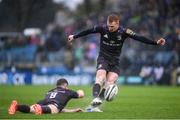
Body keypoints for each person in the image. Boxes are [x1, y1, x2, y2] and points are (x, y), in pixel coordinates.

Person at [68, 14, 166, 112]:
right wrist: (74, 36)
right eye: (108, 25)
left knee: (110, 81)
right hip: (103, 58)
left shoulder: (124, 32)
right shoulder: (102, 28)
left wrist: (155, 42)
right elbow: (88, 31)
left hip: (115, 61)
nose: (109, 28)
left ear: (118, 24)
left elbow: (139, 38)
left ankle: (95, 106)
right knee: (101, 77)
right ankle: (95, 98)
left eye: (112, 26)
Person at [8, 78, 84, 115]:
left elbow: (61, 109)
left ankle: (16, 107)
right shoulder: (67, 91)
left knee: (31, 109)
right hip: (53, 104)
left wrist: (72, 110)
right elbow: (81, 94)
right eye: (67, 86)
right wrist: (80, 91)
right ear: (65, 85)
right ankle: (40, 109)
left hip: (44, 102)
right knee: (54, 109)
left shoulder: (50, 91)